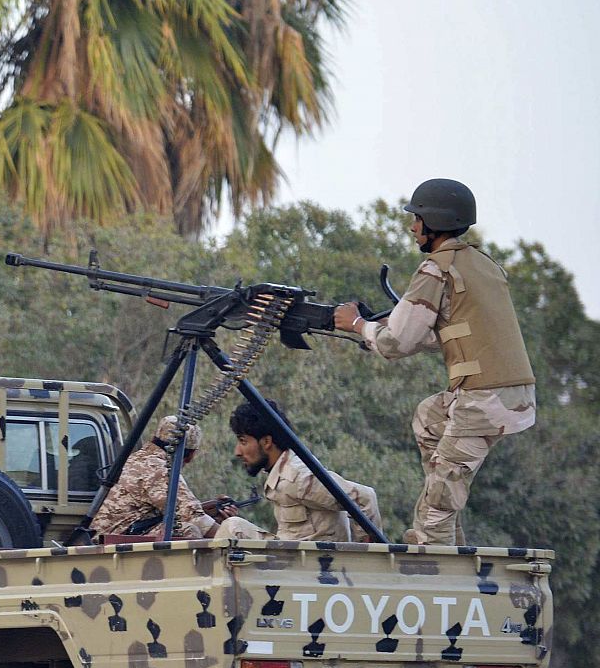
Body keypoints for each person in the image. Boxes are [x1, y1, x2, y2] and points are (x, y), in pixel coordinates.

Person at [333, 178, 536, 545]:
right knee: (429, 419)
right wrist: (377, 330)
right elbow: (442, 331)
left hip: (482, 399)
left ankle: (434, 557)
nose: (412, 228)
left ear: (434, 222)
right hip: (505, 394)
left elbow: (396, 344)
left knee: (435, 505)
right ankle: (447, 535)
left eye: (417, 220)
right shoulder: (483, 265)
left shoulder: (435, 269)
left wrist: (359, 325)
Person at [215, 400, 383, 542]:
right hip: (291, 557)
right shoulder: (282, 472)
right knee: (232, 528)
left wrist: (365, 558)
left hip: (315, 566)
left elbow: (364, 498)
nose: (237, 451)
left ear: (267, 442)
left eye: (243, 441)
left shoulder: (298, 477)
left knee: (233, 527)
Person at [90, 416, 237, 540]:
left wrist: (211, 515)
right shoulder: (159, 468)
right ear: (191, 456)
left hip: (110, 538)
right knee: (187, 530)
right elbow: (194, 518)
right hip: (114, 543)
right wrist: (237, 539)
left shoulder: (138, 459)